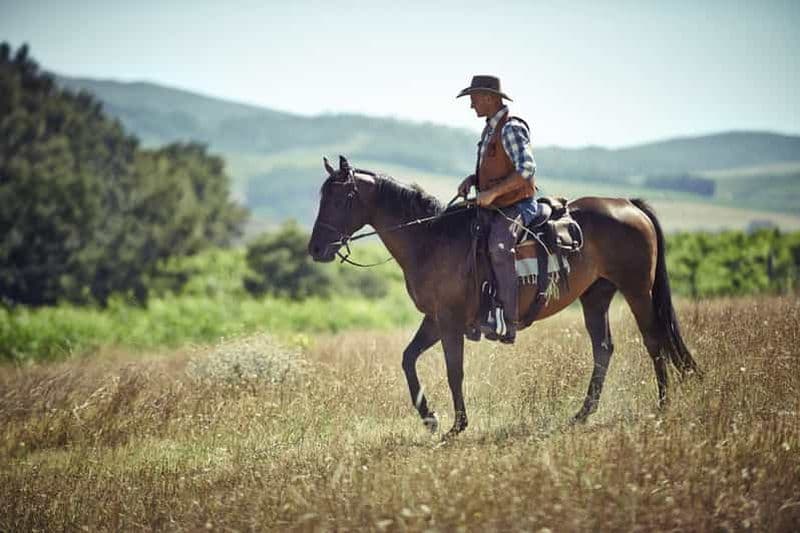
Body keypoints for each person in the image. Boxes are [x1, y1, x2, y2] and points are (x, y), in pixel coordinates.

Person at [456, 75, 537, 344]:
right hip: (497, 205)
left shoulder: (510, 128)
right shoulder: (490, 128)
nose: (471, 105)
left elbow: (526, 169)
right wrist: (474, 180)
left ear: (490, 98)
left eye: (474, 98)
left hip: (519, 205)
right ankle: (480, 312)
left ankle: (509, 322)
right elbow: (497, 169)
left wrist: (491, 193)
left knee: (499, 248)